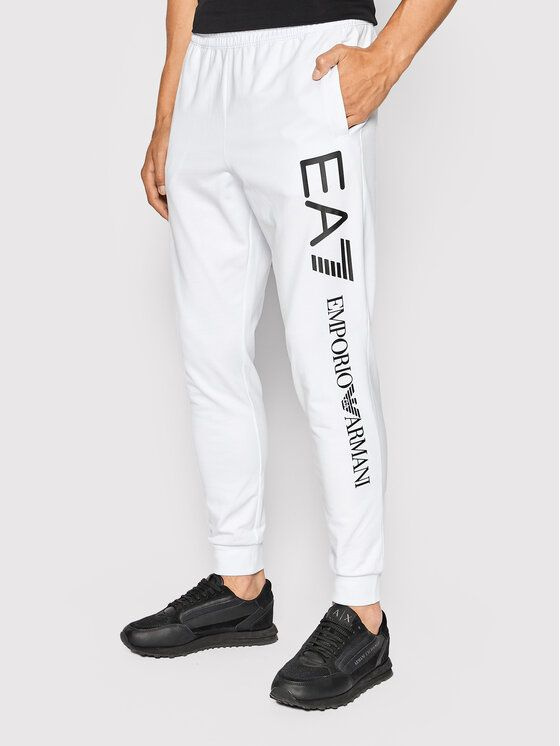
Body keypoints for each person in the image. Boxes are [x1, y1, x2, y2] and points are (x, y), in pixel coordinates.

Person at [120, 0, 456, 710]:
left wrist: (388, 57)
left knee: (330, 356)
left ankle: (362, 612)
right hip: (207, 73)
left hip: (310, 67)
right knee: (210, 354)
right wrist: (171, 103)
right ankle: (239, 584)